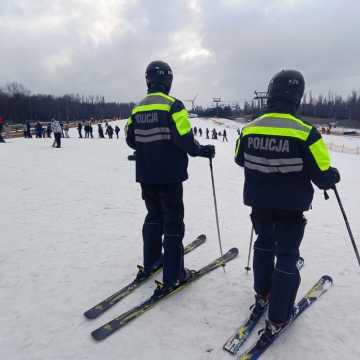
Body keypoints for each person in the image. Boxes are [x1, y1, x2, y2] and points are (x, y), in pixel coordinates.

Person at [234, 70, 340, 344]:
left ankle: (263, 292)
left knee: (263, 244)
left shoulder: (250, 128)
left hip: (259, 204)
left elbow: (239, 158)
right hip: (291, 208)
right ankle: (279, 315)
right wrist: (333, 176)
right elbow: (323, 175)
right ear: (297, 96)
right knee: (287, 255)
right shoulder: (306, 133)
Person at [125, 60, 215, 297]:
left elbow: (130, 139)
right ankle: (174, 275)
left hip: (146, 174)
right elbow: (185, 138)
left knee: (154, 216)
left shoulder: (138, 108)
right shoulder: (173, 105)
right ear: (168, 80)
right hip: (170, 175)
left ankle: (153, 259)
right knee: (173, 222)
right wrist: (201, 150)